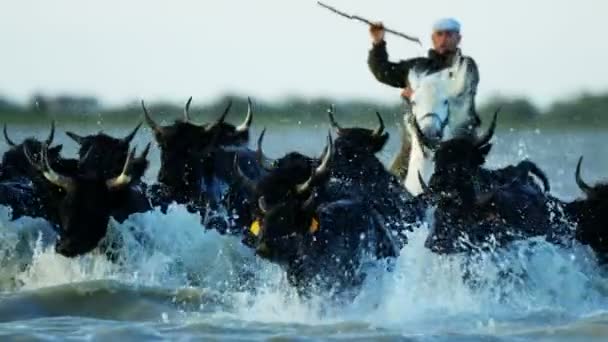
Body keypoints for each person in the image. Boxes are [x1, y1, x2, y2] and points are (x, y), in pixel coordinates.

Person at [368, 18, 479, 105]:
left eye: (449, 34)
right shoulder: (417, 67)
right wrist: (378, 43)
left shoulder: (465, 65)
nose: (444, 39)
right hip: (420, 131)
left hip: (460, 131)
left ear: (458, 39)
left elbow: (461, 89)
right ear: (433, 38)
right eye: (439, 34)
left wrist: (417, 94)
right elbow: (383, 72)